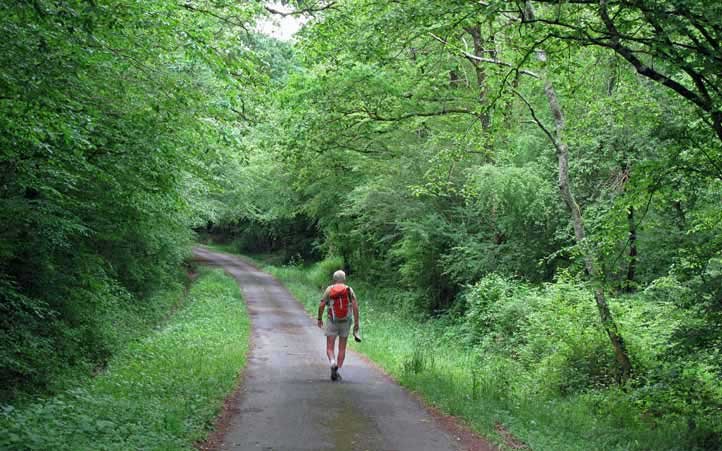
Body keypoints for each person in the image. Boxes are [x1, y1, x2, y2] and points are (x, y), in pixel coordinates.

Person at [317, 270, 359, 381]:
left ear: (334, 279)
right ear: (344, 279)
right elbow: (355, 306)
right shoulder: (349, 290)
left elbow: (321, 305)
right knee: (342, 348)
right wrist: (356, 323)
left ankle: (332, 362)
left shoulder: (329, 289)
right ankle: (337, 370)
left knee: (330, 348)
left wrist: (319, 318)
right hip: (346, 321)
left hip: (332, 321)